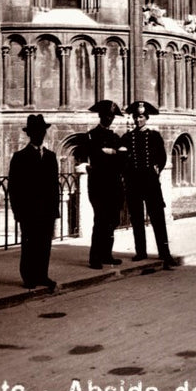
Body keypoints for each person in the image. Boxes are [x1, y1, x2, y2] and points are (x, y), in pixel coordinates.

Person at [121, 101, 180, 270]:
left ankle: (164, 252)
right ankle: (141, 251)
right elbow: (123, 159)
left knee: (157, 218)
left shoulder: (154, 136)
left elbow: (162, 157)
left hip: (150, 182)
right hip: (134, 183)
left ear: (146, 118)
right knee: (137, 218)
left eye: (140, 117)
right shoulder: (127, 137)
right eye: (135, 117)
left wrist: (157, 168)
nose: (137, 120)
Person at [8, 114, 59, 291]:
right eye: (36, 131)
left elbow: (54, 186)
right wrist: (17, 211)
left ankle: (42, 275)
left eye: (42, 131)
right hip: (29, 211)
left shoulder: (51, 157)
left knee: (45, 244)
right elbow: (13, 187)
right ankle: (29, 277)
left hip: (47, 211)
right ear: (30, 134)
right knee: (29, 244)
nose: (40, 134)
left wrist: (55, 210)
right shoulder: (20, 157)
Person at [85, 100, 125, 269]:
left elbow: (123, 160)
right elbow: (96, 157)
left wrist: (113, 153)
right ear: (100, 116)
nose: (109, 119)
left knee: (112, 220)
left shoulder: (116, 137)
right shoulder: (91, 135)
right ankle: (95, 257)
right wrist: (113, 154)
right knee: (100, 220)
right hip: (99, 186)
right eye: (107, 116)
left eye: (112, 116)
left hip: (114, 185)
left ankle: (106, 254)